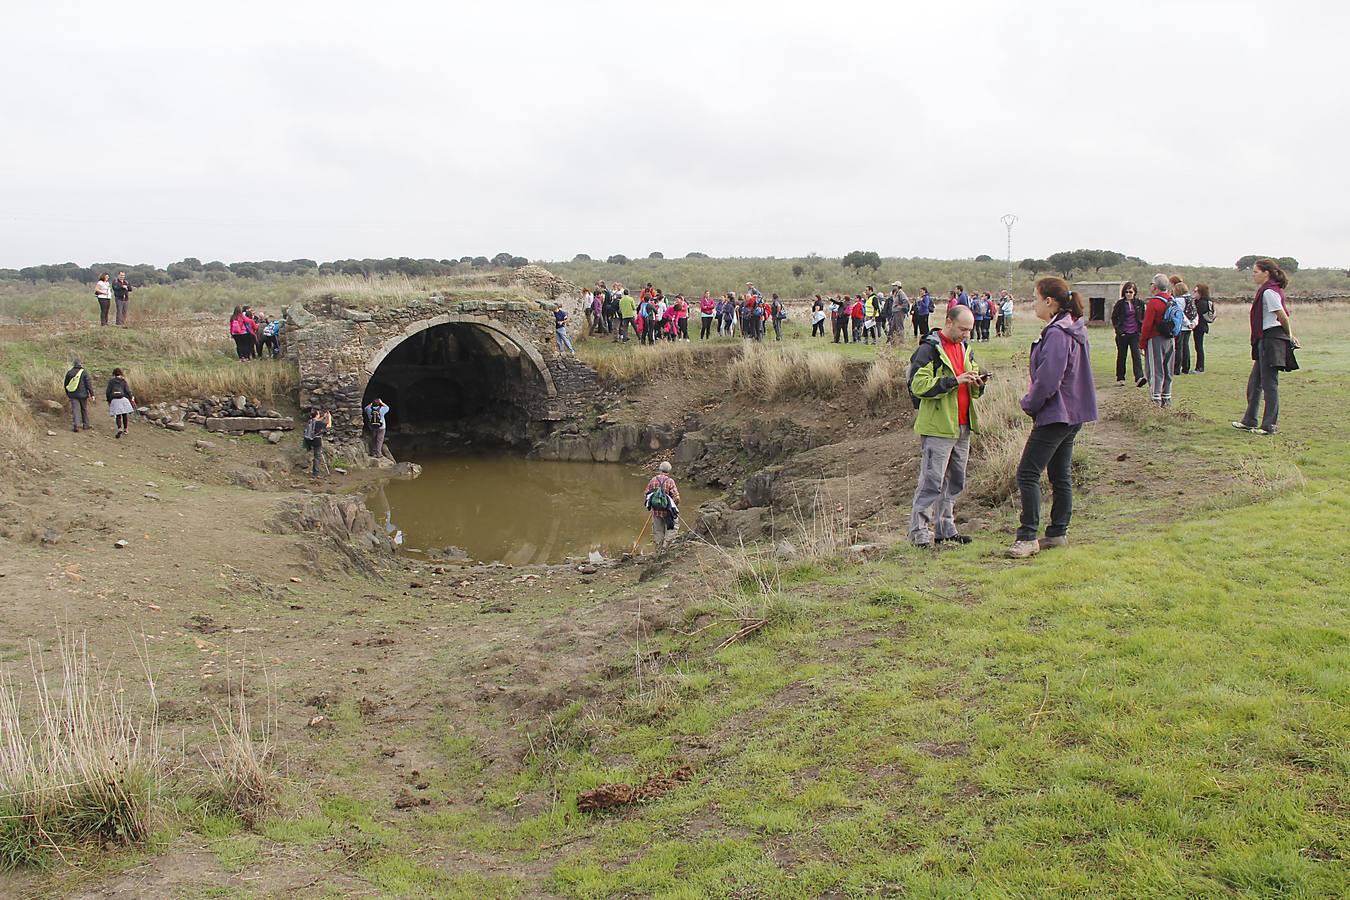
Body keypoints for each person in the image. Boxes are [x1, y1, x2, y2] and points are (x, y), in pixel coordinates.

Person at [1005, 278, 1099, 559]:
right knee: (1060, 473)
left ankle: (1028, 537)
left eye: (1035, 298)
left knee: (1028, 473)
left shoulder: (1058, 333)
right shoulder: (1074, 327)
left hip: (1058, 413)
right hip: (1073, 412)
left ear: (1049, 301)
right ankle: (1057, 532)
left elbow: (1048, 380)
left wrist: (1029, 403)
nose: (1032, 303)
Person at [906, 305, 984, 548]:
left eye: (969, 330)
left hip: (962, 425)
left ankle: (945, 530)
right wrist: (954, 381)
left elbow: (973, 387)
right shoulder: (929, 350)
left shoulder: (965, 348)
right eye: (963, 329)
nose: (966, 334)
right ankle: (919, 534)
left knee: (955, 481)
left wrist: (977, 383)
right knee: (931, 481)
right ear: (948, 322)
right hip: (938, 427)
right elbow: (918, 386)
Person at [1233, 258, 1298, 436]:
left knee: (1270, 384)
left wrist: (1290, 336)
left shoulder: (1269, 292)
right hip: (1264, 339)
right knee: (1255, 383)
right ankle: (1249, 420)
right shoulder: (1267, 291)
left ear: (1266, 273)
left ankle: (1269, 426)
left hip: (1271, 340)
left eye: (1255, 272)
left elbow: (1282, 317)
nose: (1253, 275)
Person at [1139, 274, 1175, 407]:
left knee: (1155, 370)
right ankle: (1167, 398)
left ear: (1154, 286)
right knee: (1168, 369)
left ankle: (1156, 400)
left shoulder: (1154, 303)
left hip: (1155, 339)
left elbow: (1147, 326)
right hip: (1170, 339)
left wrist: (1142, 343)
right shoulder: (1172, 300)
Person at [1110, 281, 1146, 386]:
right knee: (1122, 355)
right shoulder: (1120, 304)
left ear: (1134, 292)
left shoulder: (1139, 303)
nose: (1129, 294)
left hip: (1135, 333)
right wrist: (1119, 330)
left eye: (1131, 292)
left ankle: (1139, 377)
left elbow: (1142, 318)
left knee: (1136, 355)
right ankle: (1120, 378)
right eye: (1126, 292)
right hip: (1123, 334)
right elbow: (1114, 317)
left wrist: (1141, 331)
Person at [644, 460, 682, 552]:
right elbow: (676, 497)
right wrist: (674, 506)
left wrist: (654, 505)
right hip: (668, 512)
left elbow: (646, 494)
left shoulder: (653, 480)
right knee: (672, 528)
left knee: (658, 531)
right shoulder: (670, 481)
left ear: (660, 469)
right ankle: (666, 549)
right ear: (669, 471)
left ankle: (658, 550)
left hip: (656, 512)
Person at [1172, 280, 1195, 375]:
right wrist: (1193, 323)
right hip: (1189, 327)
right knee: (1186, 347)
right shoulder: (1190, 299)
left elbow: (1180, 313)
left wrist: (1187, 322)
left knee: (1179, 347)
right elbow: (1194, 313)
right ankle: (1186, 367)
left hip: (1181, 326)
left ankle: (1176, 369)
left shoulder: (1178, 300)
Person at [63, 358, 93, 433]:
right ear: (80, 364)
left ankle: (76, 425)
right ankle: (86, 424)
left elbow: (66, 384)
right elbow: (88, 384)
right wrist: (92, 394)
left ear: (74, 364)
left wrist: (68, 393)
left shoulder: (69, 372)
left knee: (75, 410)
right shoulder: (84, 372)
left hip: (73, 394)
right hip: (83, 395)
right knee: (84, 409)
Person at [105, 368, 136, 438]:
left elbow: (108, 392)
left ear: (114, 373)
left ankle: (119, 428)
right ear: (121, 373)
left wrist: (109, 400)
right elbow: (127, 391)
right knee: (124, 414)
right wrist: (131, 398)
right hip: (123, 399)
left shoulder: (111, 381)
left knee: (118, 415)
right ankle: (125, 429)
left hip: (115, 400)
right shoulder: (123, 381)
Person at [1192, 282, 1215, 373]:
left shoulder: (1202, 303)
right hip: (1201, 327)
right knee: (1198, 347)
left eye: (1196, 291)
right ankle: (1199, 367)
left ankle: (1200, 368)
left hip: (1200, 327)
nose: (1194, 293)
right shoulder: (1203, 301)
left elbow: (1196, 314)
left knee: (1199, 347)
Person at [303, 408, 332, 478]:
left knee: (315, 456)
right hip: (317, 441)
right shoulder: (319, 423)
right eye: (318, 414)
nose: (319, 415)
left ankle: (314, 471)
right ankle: (315, 474)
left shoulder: (310, 421)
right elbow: (329, 425)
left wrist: (324, 417)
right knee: (317, 457)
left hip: (309, 440)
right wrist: (329, 418)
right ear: (316, 415)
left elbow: (317, 421)